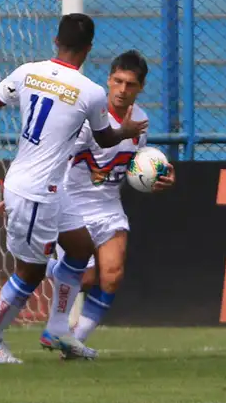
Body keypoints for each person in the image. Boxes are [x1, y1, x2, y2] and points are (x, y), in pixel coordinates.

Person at [0, 13, 147, 364]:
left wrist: (6, 101)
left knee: (80, 248)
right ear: (89, 48)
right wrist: (126, 133)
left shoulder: (27, 71)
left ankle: (58, 328)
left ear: (56, 41)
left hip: (45, 185)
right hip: (37, 190)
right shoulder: (91, 92)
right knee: (31, 271)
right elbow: (105, 137)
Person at [51, 50, 174, 346]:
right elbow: (56, 157)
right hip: (71, 206)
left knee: (113, 275)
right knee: (88, 279)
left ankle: (75, 342)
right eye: (117, 81)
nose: (122, 89)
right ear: (108, 80)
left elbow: (137, 163)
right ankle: (43, 268)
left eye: (130, 84)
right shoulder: (87, 119)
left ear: (140, 87)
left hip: (108, 206)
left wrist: (162, 174)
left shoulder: (140, 122)